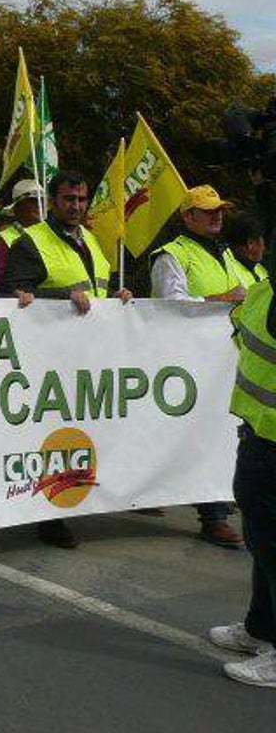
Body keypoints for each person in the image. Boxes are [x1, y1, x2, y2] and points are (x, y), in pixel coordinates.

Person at [6, 170, 133, 549]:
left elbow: (99, 291)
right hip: (48, 361)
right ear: (53, 201)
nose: (76, 206)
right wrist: (63, 300)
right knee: (51, 438)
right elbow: (14, 298)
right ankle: (51, 515)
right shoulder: (31, 242)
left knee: (84, 434)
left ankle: (74, 501)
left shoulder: (91, 241)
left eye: (81, 199)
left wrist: (118, 297)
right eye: (68, 199)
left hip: (89, 357)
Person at [149, 184, 245, 548]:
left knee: (217, 431)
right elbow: (169, 305)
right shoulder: (172, 254)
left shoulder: (225, 253)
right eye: (207, 211)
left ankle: (215, 503)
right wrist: (218, 299)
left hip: (223, 356)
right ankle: (212, 515)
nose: (217, 215)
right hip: (185, 361)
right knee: (197, 434)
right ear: (187, 217)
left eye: (219, 209)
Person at [207, 268, 276, 686]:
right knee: (261, 537)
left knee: (272, 544)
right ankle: (260, 629)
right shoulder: (261, 292)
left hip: (272, 440)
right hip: (259, 434)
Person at [0, 179, 44, 293]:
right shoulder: (0, 242)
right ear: (17, 208)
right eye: (33, 201)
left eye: (42, 201)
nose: (39, 205)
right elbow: (0, 282)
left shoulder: (51, 236)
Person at [226, 212, 269, 289]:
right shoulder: (231, 274)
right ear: (250, 243)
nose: (264, 248)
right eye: (262, 240)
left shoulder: (259, 269)